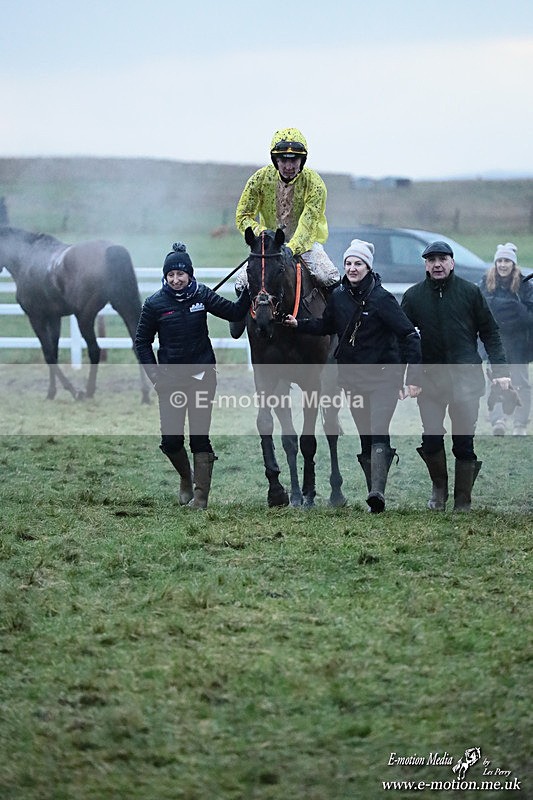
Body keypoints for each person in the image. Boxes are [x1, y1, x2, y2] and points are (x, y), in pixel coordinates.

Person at [284, 239, 422, 513]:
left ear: (368, 267)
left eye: (358, 263)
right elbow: (326, 325)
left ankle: (377, 492)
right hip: (354, 379)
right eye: (348, 263)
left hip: (385, 376)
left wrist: (412, 377)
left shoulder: (382, 299)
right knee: (365, 437)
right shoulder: (338, 298)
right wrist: (299, 324)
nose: (352, 268)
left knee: (378, 428)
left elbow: (408, 335)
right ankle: (375, 494)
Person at [135, 242, 250, 510]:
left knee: (200, 437)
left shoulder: (202, 295)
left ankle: (200, 499)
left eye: (181, 274)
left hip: (202, 377)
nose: (176, 280)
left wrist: (247, 291)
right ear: (165, 277)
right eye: (171, 275)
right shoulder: (154, 304)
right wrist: (155, 377)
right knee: (171, 440)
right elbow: (142, 342)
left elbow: (234, 312)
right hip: (170, 380)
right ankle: (186, 478)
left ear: (190, 274)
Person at [401, 241, 510, 512]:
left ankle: (463, 499)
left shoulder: (470, 293)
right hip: (430, 381)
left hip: (466, 381)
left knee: (464, 442)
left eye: (442, 259)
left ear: (451, 262)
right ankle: (439, 491)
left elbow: (491, 333)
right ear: (425, 265)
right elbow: (404, 339)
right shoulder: (413, 296)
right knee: (431, 438)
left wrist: (501, 371)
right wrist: (408, 378)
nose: (437, 264)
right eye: (431, 260)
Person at [230, 127, 340, 337]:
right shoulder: (258, 179)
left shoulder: (315, 184)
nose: (289, 166)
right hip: (269, 245)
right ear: (275, 160)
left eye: (294, 160)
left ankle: (337, 326)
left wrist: (291, 248)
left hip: (306, 243)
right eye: (283, 160)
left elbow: (308, 223)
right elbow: (243, 216)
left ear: (302, 161)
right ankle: (239, 320)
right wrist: (266, 236)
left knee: (330, 277)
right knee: (242, 281)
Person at [479, 242, 533, 436]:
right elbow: (480, 309)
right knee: (494, 381)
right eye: (499, 260)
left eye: (507, 261)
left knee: (521, 382)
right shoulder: (485, 282)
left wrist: (516, 312)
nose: (502, 264)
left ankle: (520, 424)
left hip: (519, 343)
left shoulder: (525, 286)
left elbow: (530, 314)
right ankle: (497, 421)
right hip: (495, 342)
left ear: (513, 264)